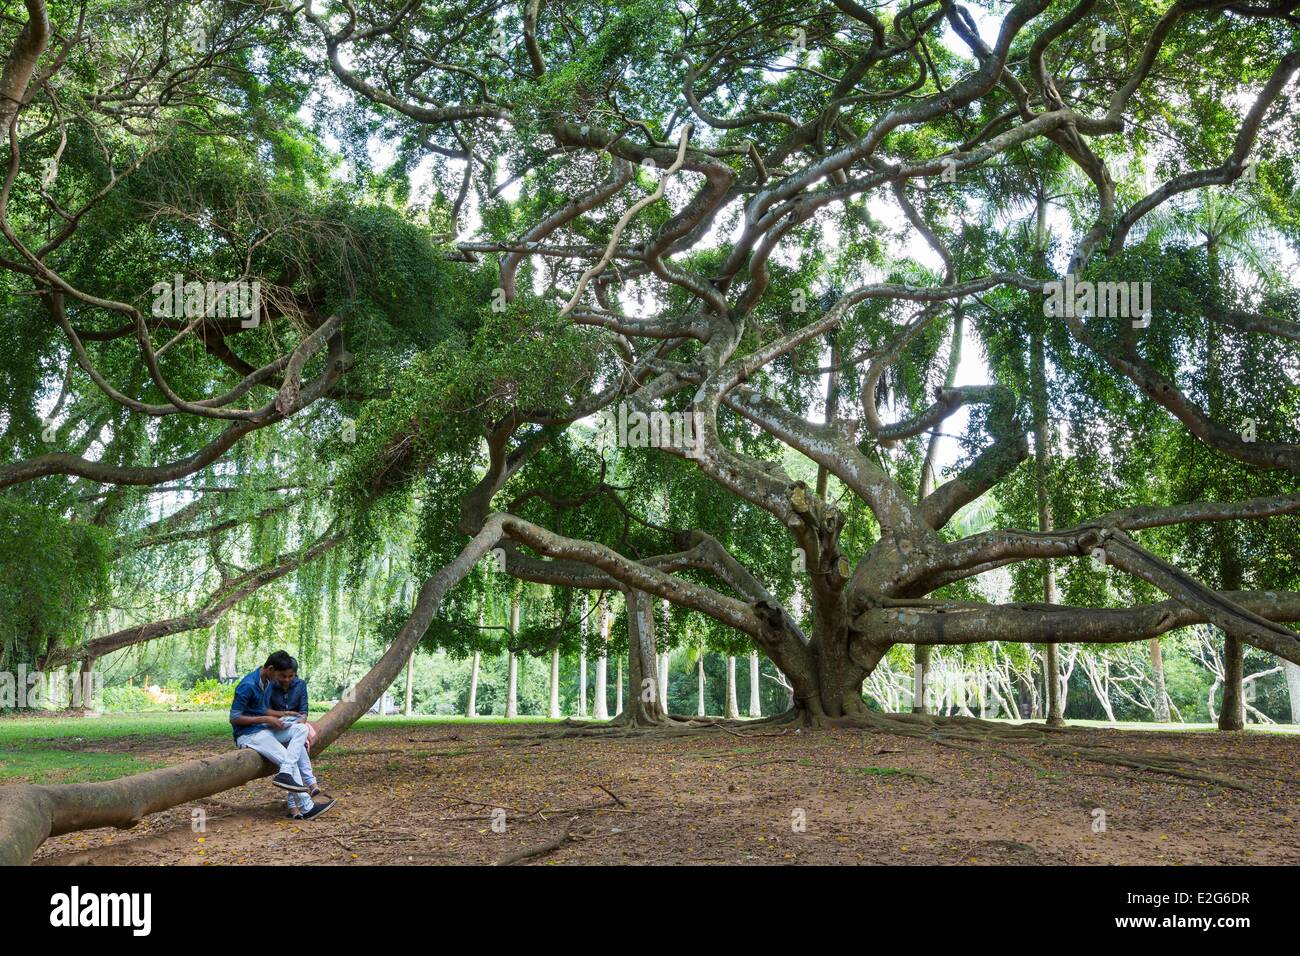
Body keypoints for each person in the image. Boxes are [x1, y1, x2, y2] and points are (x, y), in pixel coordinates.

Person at [229, 651, 335, 821]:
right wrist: (266, 719)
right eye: (280, 675)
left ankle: (285, 772)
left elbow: (260, 709)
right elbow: (234, 717)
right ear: (270, 669)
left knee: (301, 730)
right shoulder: (247, 685)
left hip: (264, 729)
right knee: (288, 757)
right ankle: (307, 807)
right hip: (249, 735)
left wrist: (283, 714)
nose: (283, 680)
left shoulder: (266, 681)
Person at [268, 656, 320, 790]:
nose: (286, 680)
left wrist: (299, 723)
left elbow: (303, 711)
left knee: (298, 743)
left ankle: (295, 805)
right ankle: (311, 783)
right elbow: (265, 711)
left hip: (295, 726)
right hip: (276, 727)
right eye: (283, 676)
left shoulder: (300, 685)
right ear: (277, 673)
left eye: (290, 676)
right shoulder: (271, 686)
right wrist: (281, 718)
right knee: (298, 746)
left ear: (295, 674)